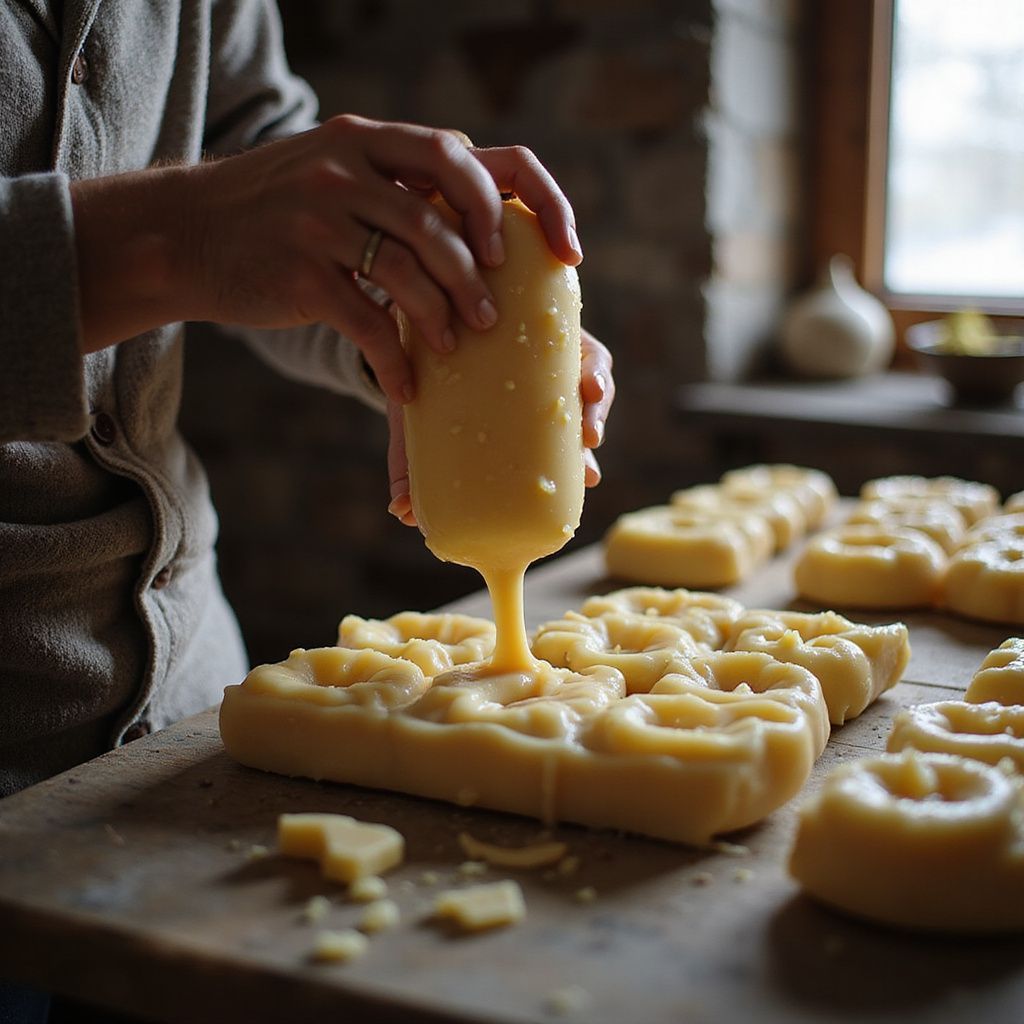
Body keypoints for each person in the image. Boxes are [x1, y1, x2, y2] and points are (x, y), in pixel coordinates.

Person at [0, 0, 615, 803]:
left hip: (193, 700)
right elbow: (225, 205)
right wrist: (178, 235)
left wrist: (420, 321)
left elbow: (257, 155)